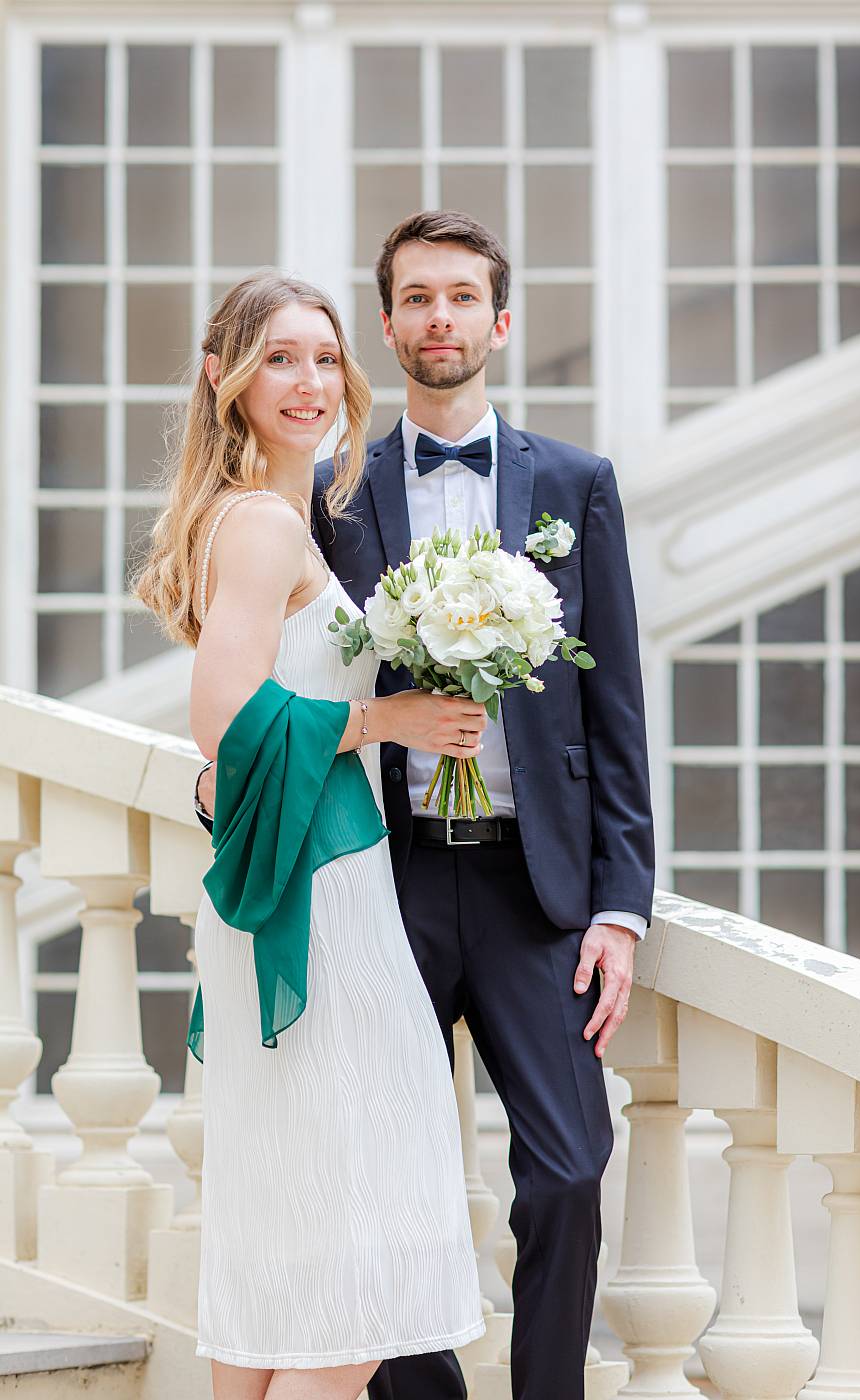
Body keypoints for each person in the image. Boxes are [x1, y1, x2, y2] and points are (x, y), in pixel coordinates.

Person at [198, 211, 655, 1400]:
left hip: (533, 883)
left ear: (499, 322)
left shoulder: (576, 485)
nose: (438, 318)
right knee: (383, 1174)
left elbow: (617, 716)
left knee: (563, 1167)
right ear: (389, 324)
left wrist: (621, 905)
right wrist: (231, 770)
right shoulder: (330, 496)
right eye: (414, 297)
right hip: (382, 875)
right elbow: (266, 671)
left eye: (462, 296)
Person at [136, 271, 486, 1400]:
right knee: (365, 1259)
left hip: (322, 877)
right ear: (225, 376)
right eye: (280, 358)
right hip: (322, 903)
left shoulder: (277, 518)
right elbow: (222, 721)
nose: (309, 382)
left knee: (287, 1238)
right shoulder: (263, 523)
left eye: (325, 358)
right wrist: (383, 717)